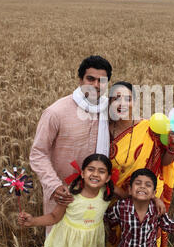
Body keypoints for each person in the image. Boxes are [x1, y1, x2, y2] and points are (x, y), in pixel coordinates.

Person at [29, 55, 112, 236]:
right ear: (80, 79)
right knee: (59, 242)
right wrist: (54, 186)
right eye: (90, 79)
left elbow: (132, 128)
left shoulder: (109, 110)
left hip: (94, 195)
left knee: (88, 240)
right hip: (62, 195)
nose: (96, 85)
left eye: (102, 81)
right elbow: (38, 153)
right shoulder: (56, 112)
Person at [106, 81, 174, 247]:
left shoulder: (149, 128)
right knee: (115, 243)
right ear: (109, 103)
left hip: (147, 200)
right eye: (116, 98)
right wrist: (121, 193)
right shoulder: (102, 130)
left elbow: (163, 162)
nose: (122, 103)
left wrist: (173, 148)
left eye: (128, 99)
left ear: (135, 103)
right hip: (115, 201)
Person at [18, 154, 114, 247]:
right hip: (68, 244)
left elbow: (126, 194)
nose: (95, 174)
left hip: (92, 243)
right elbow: (54, 217)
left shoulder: (107, 192)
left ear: (108, 178)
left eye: (101, 171)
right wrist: (33, 221)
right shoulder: (71, 195)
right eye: (91, 169)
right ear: (82, 173)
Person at [105, 168, 174, 247]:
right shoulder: (121, 206)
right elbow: (107, 218)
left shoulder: (157, 209)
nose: (142, 187)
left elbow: (170, 225)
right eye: (138, 183)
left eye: (148, 185)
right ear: (130, 190)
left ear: (153, 193)